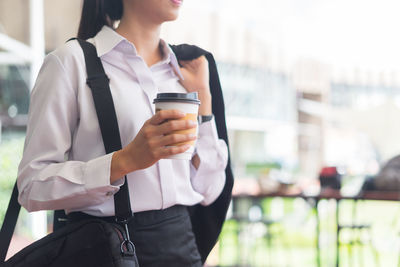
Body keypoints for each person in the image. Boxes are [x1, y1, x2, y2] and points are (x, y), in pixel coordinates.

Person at [17, 0, 232, 266]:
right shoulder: (71, 62)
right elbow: (31, 186)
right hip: (104, 250)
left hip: (183, 250)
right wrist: (124, 161)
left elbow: (210, 190)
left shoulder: (188, 71)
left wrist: (205, 103)